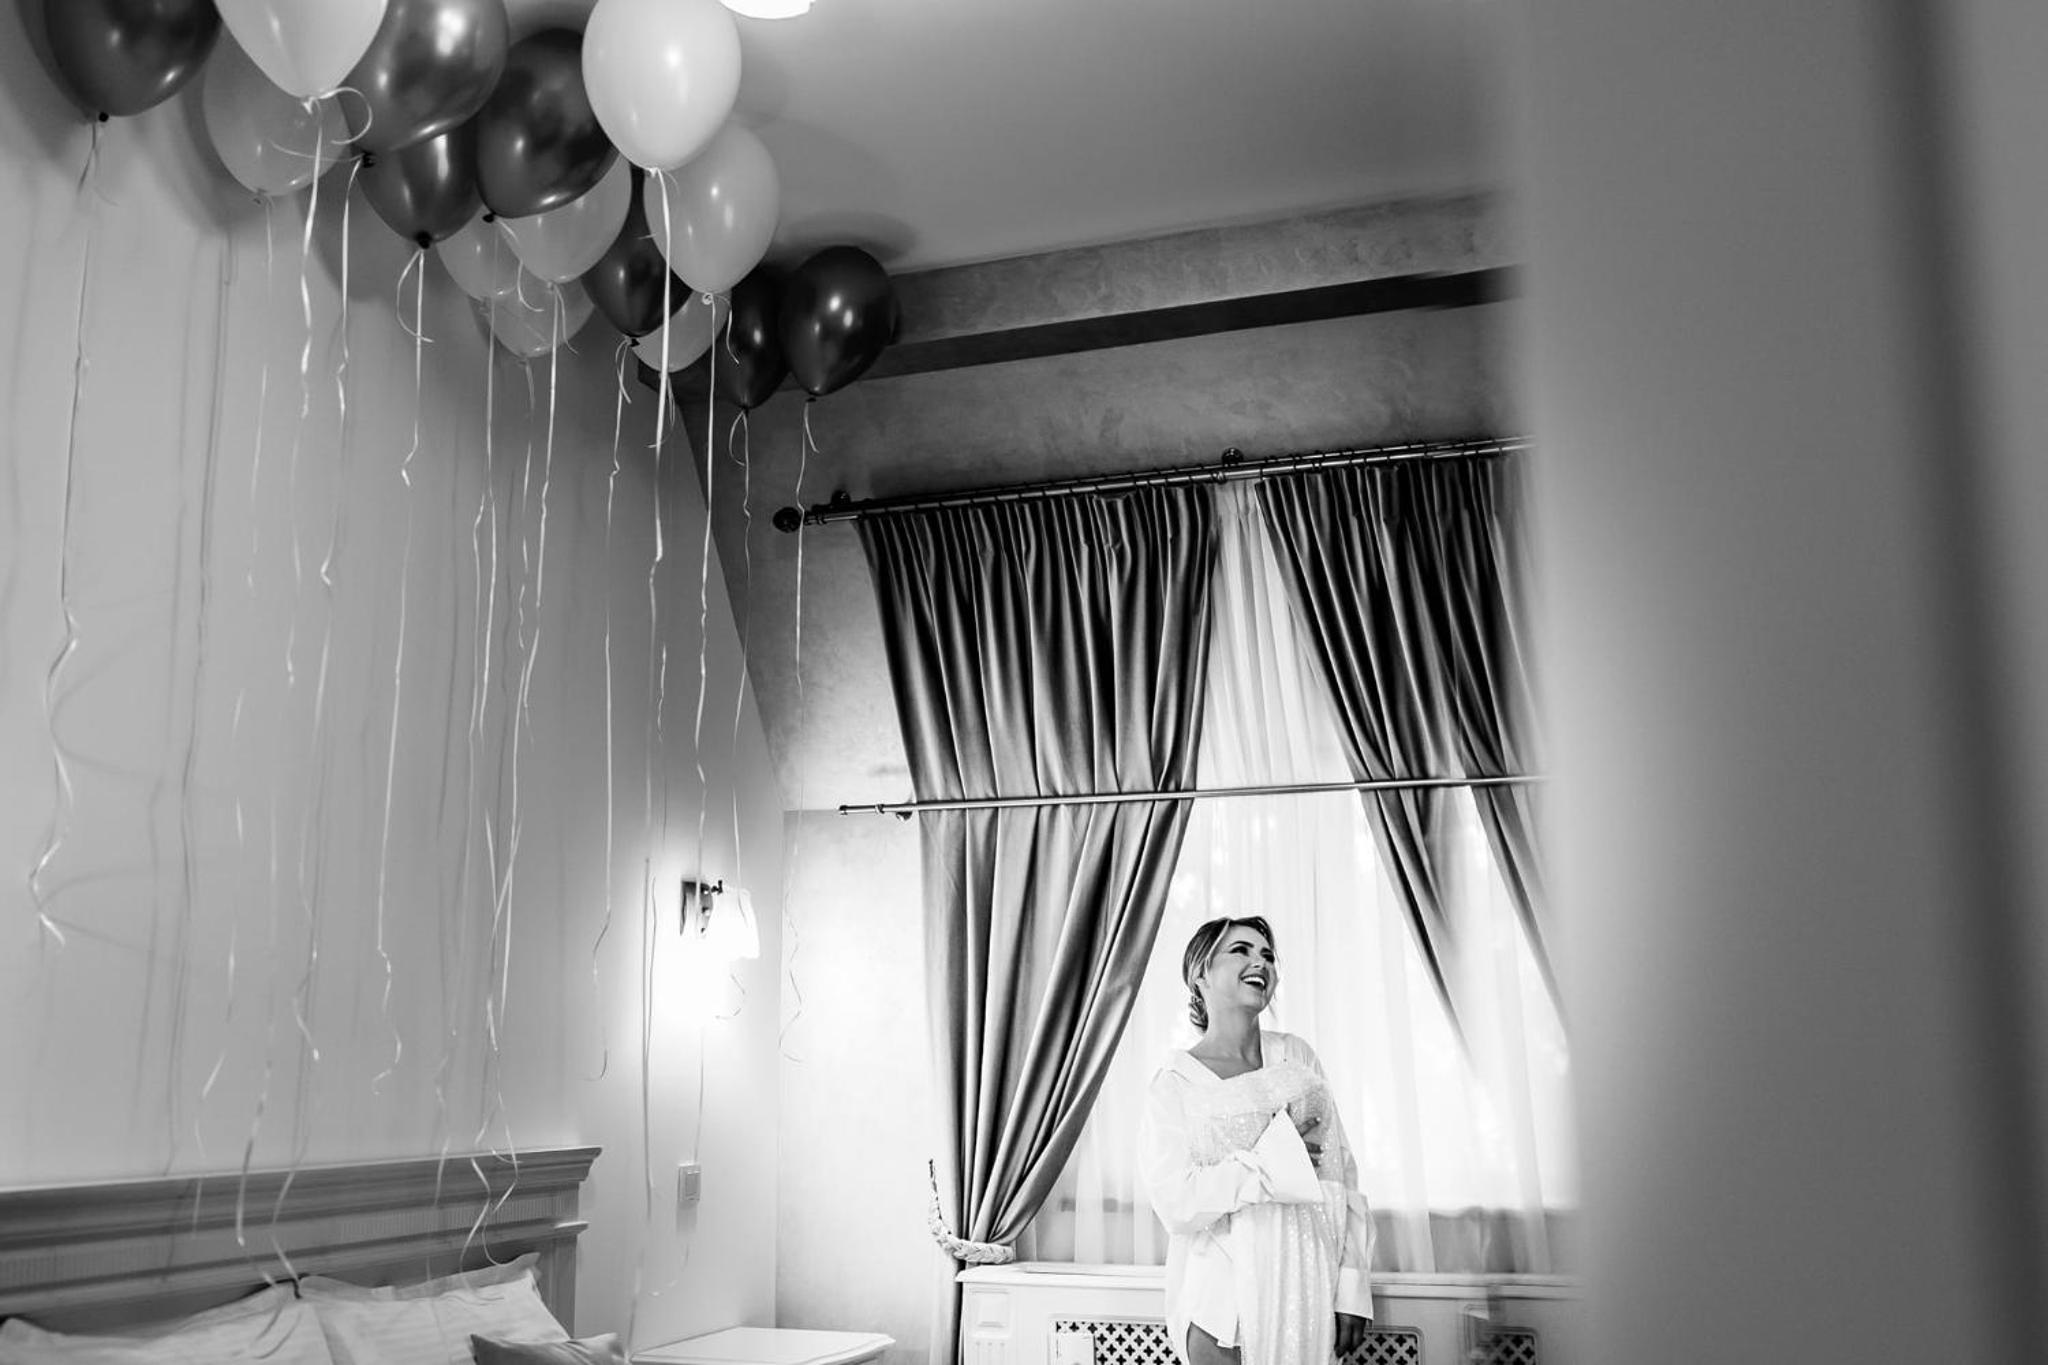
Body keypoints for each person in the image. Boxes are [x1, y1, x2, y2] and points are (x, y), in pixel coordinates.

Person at [1138, 916, 1375, 1365]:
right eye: (1241, 951)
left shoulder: (1296, 1056)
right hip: (1222, 1306)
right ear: (1201, 974)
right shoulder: (1175, 1082)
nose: (1260, 962)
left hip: (1309, 1288)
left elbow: (1341, 1177)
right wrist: (1271, 1162)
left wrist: (1352, 1287)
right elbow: (1176, 1203)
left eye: (1267, 955)